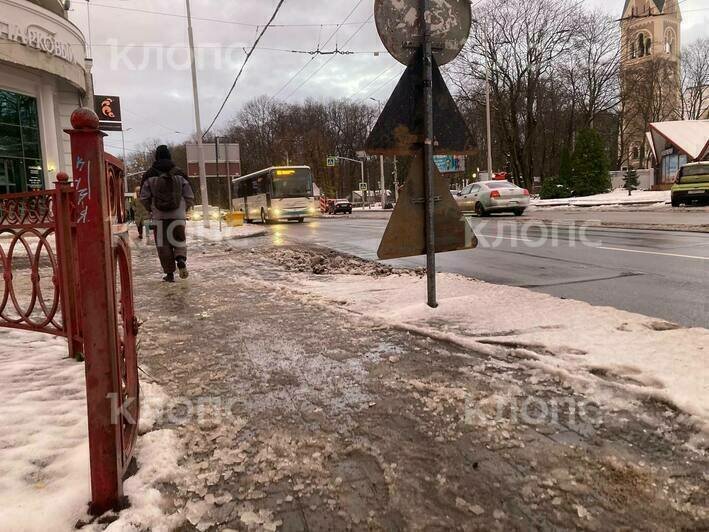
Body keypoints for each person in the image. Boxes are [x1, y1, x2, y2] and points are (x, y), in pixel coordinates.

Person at [140, 145, 194, 282]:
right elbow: (189, 195)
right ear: (169, 156)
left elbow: (144, 197)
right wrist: (183, 208)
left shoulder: (149, 174)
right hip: (178, 216)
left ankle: (169, 274)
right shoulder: (180, 174)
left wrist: (151, 209)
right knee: (179, 239)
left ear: (156, 157)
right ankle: (180, 259)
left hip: (159, 217)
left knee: (163, 245)